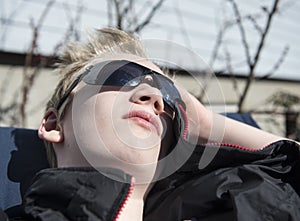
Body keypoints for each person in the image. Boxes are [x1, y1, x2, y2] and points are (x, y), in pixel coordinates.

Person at [2, 28, 300, 221]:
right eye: (120, 75)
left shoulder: (227, 200)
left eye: (168, 96)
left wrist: (204, 121)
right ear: (54, 124)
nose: (154, 99)